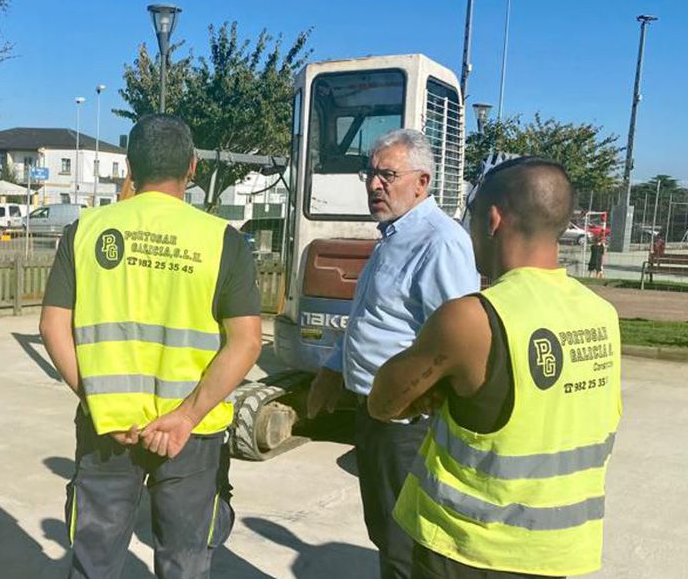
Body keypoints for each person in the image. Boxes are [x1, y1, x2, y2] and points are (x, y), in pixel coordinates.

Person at [368, 158, 622, 578]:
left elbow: (383, 401)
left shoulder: (472, 318)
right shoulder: (601, 315)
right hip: (560, 551)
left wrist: (440, 388)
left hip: (471, 549)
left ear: (493, 218)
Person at [39, 114, 262, 579]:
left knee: (94, 561)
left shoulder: (84, 231)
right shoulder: (222, 240)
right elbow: (245, 343)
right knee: (184, 562)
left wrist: (98, 399)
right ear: (193, 167)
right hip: (192, 436)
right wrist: (184, 417)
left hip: (108, 428)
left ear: (129, 167)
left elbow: (52, 327)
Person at [307, 129, 480, 579]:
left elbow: (459, 338)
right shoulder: (393, 237)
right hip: (373, 413)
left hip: (409, 424)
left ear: (422, 182)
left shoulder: (438, 242)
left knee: (407, 545)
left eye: (387, 175)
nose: (373, 184)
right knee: (386, 531)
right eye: (371, 173)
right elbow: (371, 318)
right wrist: (331, 370)